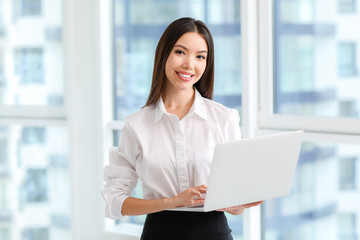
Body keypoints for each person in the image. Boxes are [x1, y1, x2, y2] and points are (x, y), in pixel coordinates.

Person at [102, 17, 263, 240]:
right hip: (159, 233)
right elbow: (115, 203)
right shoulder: (137, 124)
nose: (189, 64)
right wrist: (173, 201)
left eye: (200, 57)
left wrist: (238, 205)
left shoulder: (224, 118)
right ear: (164, 54)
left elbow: (234, 203)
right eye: (180, 52)